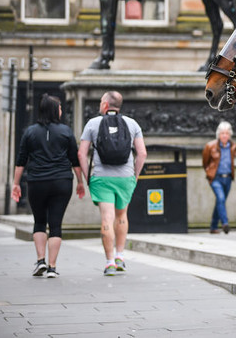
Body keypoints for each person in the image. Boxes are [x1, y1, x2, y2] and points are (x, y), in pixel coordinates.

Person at [12, 94, 85, 278]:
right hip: (61, 181)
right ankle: (52, 268)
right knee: (55, 224)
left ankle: (40, 261)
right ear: (54, 110)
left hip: (37, 181)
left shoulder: (30, 132)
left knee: (39, 222)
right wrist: (80, 182)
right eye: (59, 108)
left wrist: (15, 184)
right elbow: (74, 160)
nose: (61, 111)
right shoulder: (66, 132)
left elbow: (21, 160)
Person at [78, 91, 147, 276]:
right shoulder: (132, 124)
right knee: (121, 215)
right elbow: (142, 153)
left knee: (107, 218)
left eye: (101, 101)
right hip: (125, 177)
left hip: (101, 178)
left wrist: (88, 178)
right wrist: (135, 176)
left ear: (106, 105)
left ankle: (109, 263)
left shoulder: (93, 123)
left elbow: (81, 154)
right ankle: (120, 256)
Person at [202, 121, 236, 234]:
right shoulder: (210, 146)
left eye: (227, 133)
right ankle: (225, 223)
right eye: (222, 133)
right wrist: (209, 173)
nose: (224, 135)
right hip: (215, 178)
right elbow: (205, 162)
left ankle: (213, 226)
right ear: (218, 134)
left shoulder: (232, 146)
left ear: (230, 135)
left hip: (228, 178)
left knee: (220, 201)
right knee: (221, 199)